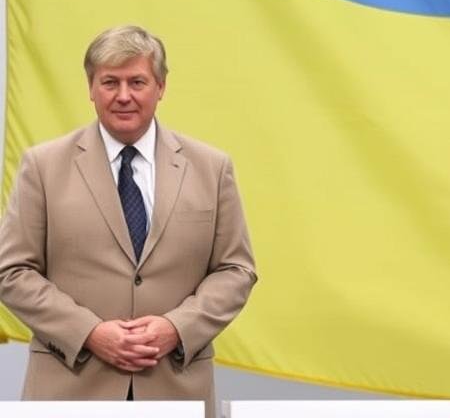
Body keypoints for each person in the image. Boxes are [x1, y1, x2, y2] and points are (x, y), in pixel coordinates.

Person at [0, 25, 257, 418]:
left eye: (137, 81)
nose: (123, 96)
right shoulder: (43, 166)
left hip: (176, 390)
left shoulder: (211, 167)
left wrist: (176, 328)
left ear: (161, 86)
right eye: (110, 82)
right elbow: (12, 271)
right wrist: (89, 333)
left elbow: (235, 269)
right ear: (90, 87)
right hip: (69, 390)